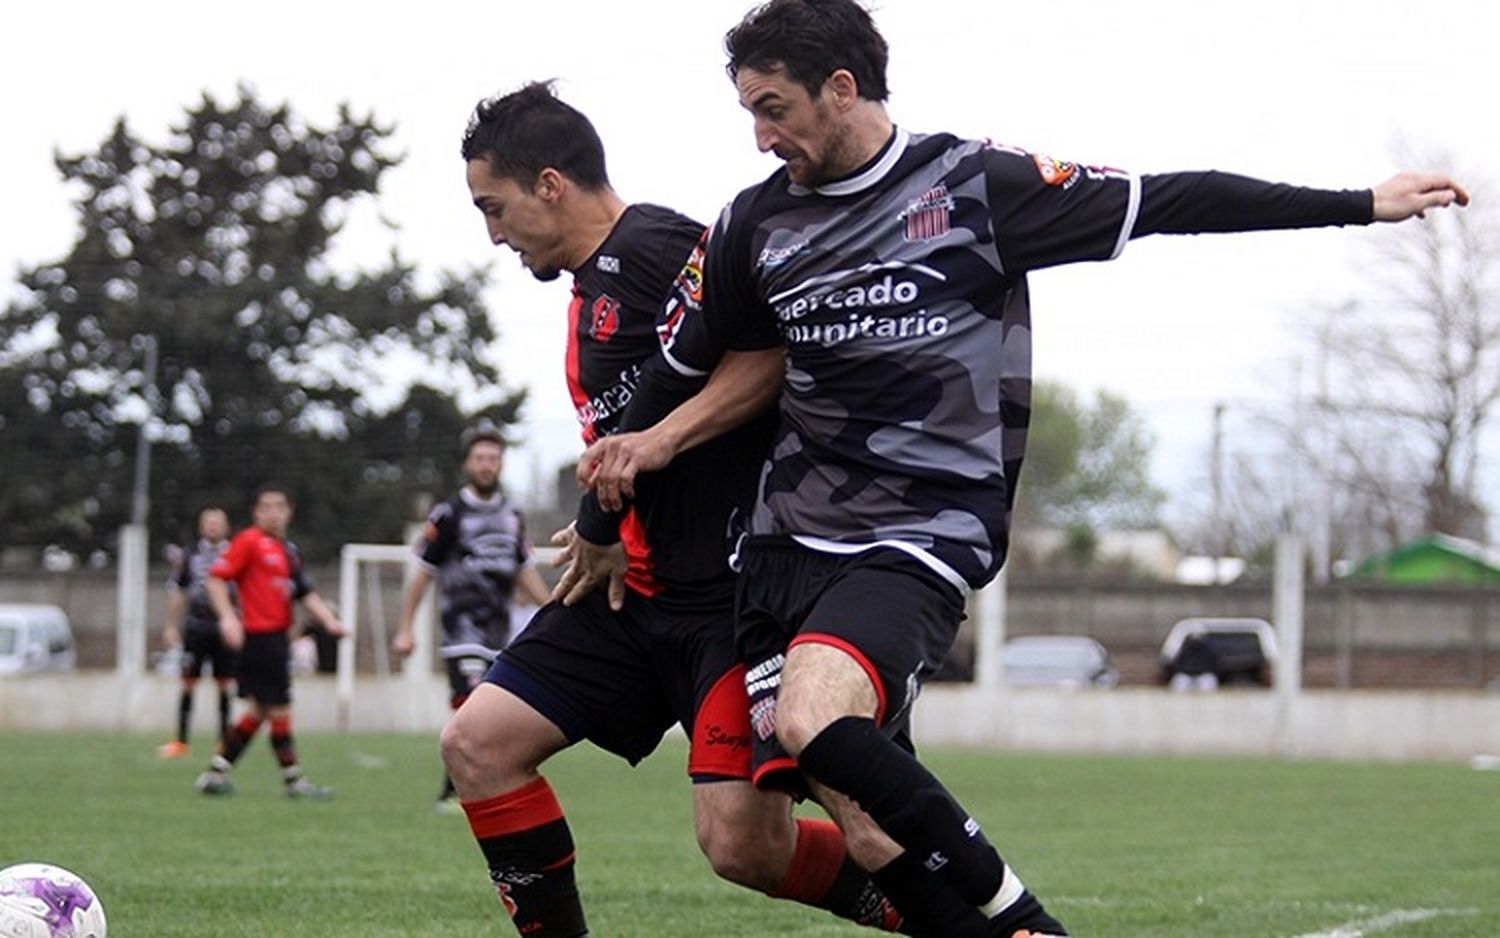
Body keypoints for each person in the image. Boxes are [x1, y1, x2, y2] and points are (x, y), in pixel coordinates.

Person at [573, 2, 1472, 935]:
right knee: (870, 827)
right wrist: (604, 516)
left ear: (841, 90)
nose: (760, 138)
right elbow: (677, 373)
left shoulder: (973, 186)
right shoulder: (753, 226)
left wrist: (1359, 205)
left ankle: (1021, 911)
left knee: (812, 719)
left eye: (773, 108)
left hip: (919, 533)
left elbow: (1171, 200)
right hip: (782, 549)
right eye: (748, 114)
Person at [439, 82, 912, 938]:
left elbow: (770, 352)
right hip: (629, 595)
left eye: (494, 207)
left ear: (551, 184)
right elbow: (630, 445)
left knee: (743, 846)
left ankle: (958, 913)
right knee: (478, 744)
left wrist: (659, 444)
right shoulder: (589, 288)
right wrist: (610, 527)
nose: (493, 233)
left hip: (727, 602)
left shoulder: (659, 247)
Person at [391, 422, 552, 811]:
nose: (486, 465)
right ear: (467, 463)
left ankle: (468, 789)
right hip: (461, 629)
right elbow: (422, 576)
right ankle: (454, 792)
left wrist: (552, 612)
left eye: (493, 458)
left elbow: (523, 569)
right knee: (471, 704)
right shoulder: (449, 514)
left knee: (493, 712)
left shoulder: (512, 515)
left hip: (500, 630)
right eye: (480, 458)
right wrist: (405, 628)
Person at [195, 483, 348, 799]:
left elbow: (305, 593)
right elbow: (215, 579)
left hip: (277, 638)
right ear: (256, 512)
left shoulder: (288, 551)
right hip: (259, 637)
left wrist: (330, 621)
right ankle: (293, 782)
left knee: (259, 711)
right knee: (278, 707)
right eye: (266, 507)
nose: (273, 513)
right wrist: (227, 617)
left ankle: (217, 772)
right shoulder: (249, 542)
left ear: (289, 511)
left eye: (279, 506)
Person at [156, 505, 236, 759]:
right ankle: (181, 741)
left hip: (224, 626)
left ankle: (224, 742)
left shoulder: (236, 554)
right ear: (201, 527)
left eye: (217, 522)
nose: (213, 527)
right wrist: (170, 626)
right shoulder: (189, 555)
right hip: (196, 626)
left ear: (226, 527)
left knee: (225, 683)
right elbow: (178, 592)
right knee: (189, 682)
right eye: (208, 522)